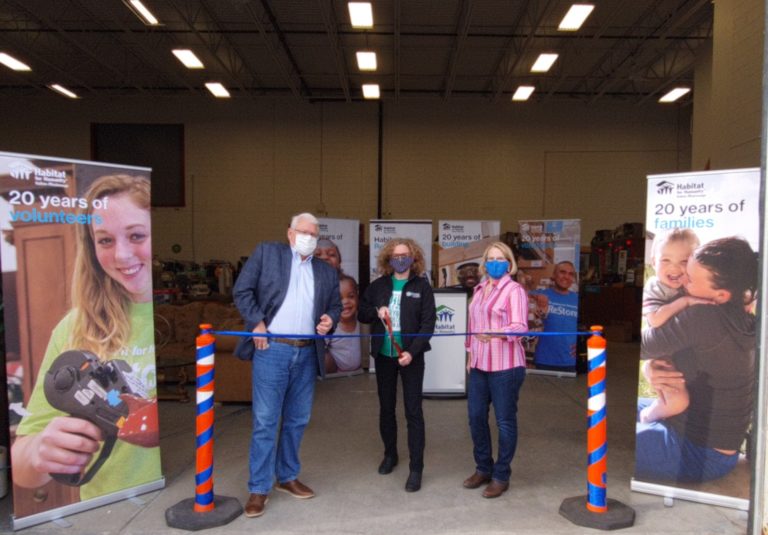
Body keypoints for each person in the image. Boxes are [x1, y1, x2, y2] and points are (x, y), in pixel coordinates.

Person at [11, 174, 161, 500]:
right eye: (105, 240)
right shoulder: (75, 327)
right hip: (111, 506)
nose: (122, 255)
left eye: (136, 235)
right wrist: (39, 450)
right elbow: (23, 468)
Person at [233, 212, 341, 518]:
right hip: (272, 349)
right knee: (266, 420)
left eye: (314, 234)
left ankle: (288, 476)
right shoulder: (268, 253)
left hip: (306, 352)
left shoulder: (325, 270)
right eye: (303, 232)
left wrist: (330, 319)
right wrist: (256, 323)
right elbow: (242, 290)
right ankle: (258, 488)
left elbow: (334, 304)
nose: (309, 238)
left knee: (298, 418)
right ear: (290, 234)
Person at [636, 236, 757, 483]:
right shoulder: (744, 319)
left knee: (601, 431)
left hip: (698, 452)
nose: (682, 281)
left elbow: (641, 347)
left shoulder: (703, 315)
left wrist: (649, 366)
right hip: (715, 445)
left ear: (721, 295)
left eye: (689, 279)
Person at [358, 238, 436, 493]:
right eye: (395, 255)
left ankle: (416, 468)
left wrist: (412, 353)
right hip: (384, 356)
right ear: (388, 259)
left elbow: (428, 325)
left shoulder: (422, 286)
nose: (400, 258)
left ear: (413, 258)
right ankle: (390, 455)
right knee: (386, 408)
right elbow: (362, 312)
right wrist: (376, 311)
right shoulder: (378, 286)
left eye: (404, 254)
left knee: (413, 411)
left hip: (411, 358)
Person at [463, 242, 528, 499]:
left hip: (506, 366)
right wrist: (470, 354)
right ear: (484, 263)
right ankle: (483, 468)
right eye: (490, 259)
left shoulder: (514, 291)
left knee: (504, 422)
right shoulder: (479, 289)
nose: (495, 263)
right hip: (479, 364)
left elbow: (520, 326)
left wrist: (497, 333)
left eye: (500, 259)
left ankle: (501, 475)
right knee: (476, 417)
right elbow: (472, 325)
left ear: (509, 263)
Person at [639, 229, 704, 423]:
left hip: (687, 355)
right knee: (678, 401)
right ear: (653, 261)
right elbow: (655, 320)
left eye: (684, 261)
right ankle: (648, 417)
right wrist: (685, 301)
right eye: (666, 260)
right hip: (665, 358)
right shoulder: (656, 287)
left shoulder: (692, 284)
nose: (675, 269)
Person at [532, 261, 579, 372]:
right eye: (562, 272)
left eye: (570, 274)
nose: (566, 277)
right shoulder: (541, 295)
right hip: (544, 359)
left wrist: (582, 346)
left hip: (570, 361)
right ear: (554, 275)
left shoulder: (577, 299)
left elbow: (588, 328)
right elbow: (521, 293)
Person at [324, 274, 362, 374]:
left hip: (362, 371)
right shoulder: (331, 324)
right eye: (339, 298)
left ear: (358, 296)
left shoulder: (363, 320)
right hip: (337, 373)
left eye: (351, 296)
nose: (345, 302)